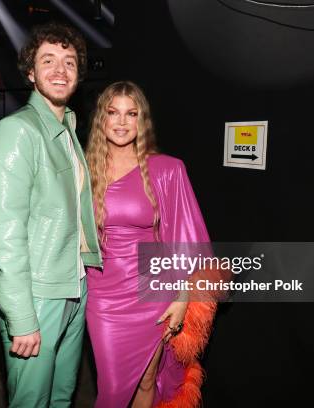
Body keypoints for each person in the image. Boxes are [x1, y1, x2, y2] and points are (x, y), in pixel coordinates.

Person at [0, 22, 101, 407]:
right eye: (47, 60)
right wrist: (21, 315)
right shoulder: (18, 131)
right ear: (30, 72)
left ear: (79, 75)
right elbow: (3, 231)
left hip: (73, 284)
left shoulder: (67, 129)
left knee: (63, 396)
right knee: (32, 401)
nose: (60, 70)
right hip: (37, 293)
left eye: (69, 62)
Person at [84, 81, 216, 407]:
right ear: (101, 118)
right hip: (102, 296)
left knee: (147, 381)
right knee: (112, 391)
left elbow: (190, 243)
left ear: (142, 121)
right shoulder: (83, 169)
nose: (122, 122)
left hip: (153, 294)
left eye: (132, 113)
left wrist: (183, 299)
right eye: (113, 112)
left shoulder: (167, 169)